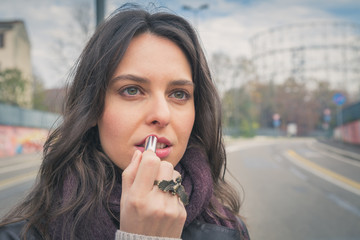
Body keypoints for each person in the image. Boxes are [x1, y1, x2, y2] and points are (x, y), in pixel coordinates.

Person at [0, 4, 250, 240]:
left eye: (179, 94)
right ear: (93, 107)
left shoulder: (228, 228)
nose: (162, 115)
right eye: (132, 90)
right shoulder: (19, 235)